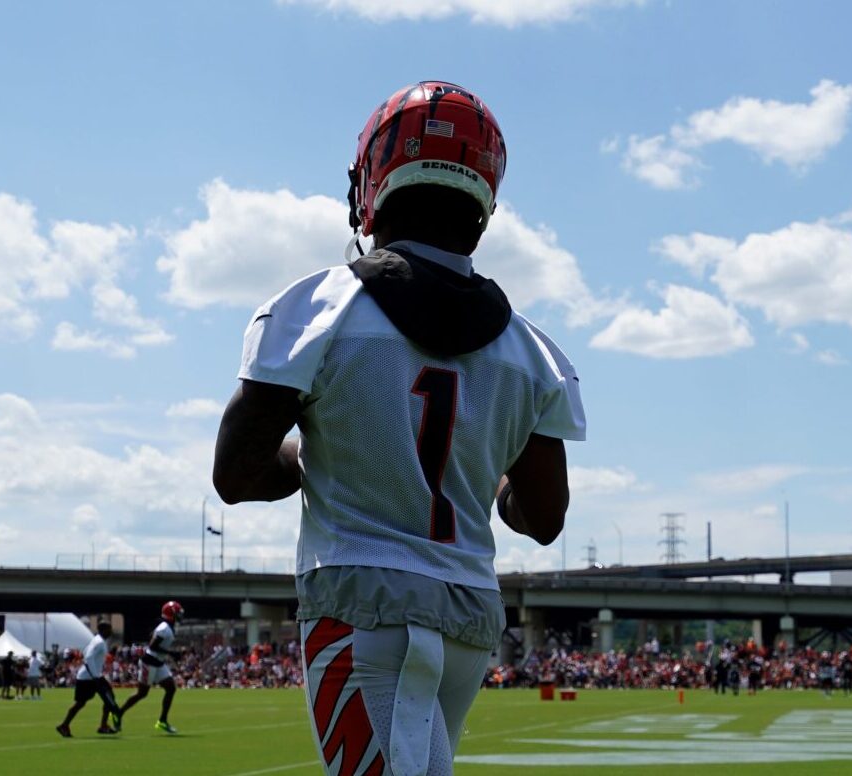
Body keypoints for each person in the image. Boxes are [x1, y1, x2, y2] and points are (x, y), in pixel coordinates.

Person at [214, 80, 583, 776]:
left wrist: (308, 456)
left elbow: (236, 475)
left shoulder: (318, 311)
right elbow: (543, 516)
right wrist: (487, 471)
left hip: (361, 604)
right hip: (470, 612)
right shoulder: (533, 353)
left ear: (374, 182)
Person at [115, 600, 185, 734]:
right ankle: (118, 713)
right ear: (171, 614)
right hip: (150, 662)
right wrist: (172, 653)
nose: (180, 615)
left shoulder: (167, 626)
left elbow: (151, 638)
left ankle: (162, 721)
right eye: (178, 612)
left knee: (171, 688)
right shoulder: (165, 628)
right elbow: (153, 646)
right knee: (142, 693)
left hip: (158, 662)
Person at [56, 621, 121, 738]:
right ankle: (64, 725)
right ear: (103, 630)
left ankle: (103, 725)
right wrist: (95, 674)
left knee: (108, 698)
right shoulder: (99, 642)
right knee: (81, 703)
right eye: (109, 629)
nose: (111, 631)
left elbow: (85, 653)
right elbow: (89, 657)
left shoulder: (96, 640)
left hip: (92, 676)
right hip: (89, 677)